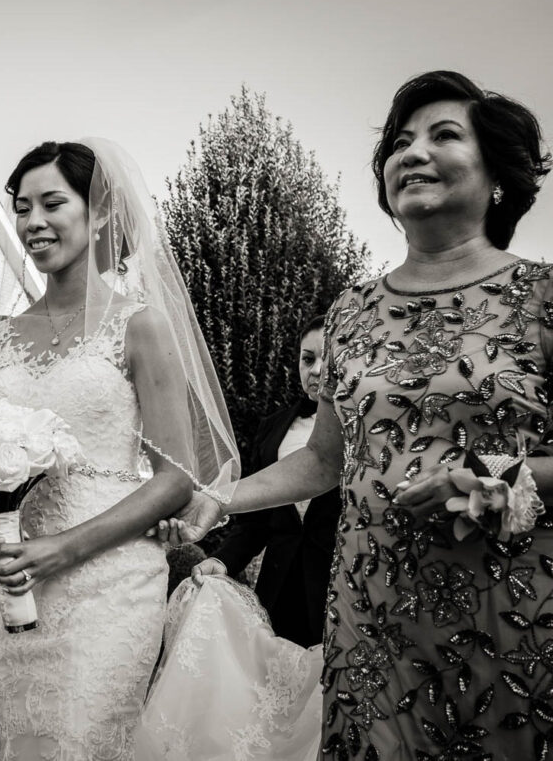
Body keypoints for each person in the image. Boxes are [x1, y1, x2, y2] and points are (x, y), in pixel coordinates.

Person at [147, 70, 553, 760]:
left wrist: (491, 478)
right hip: (370, 607)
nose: (411, 152)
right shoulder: (350, 312)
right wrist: (217, 495)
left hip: (509, 602)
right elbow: (324, 460)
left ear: (498, 176)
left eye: (443, 135)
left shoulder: (541, 296)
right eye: (399, 142)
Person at [0, 139, 240, 760]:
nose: (33, 222)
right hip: (14, 582)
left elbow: (175, 479)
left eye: (52, 203)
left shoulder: (140, 325)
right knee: (25, 738)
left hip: (109, 583)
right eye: (22, 207)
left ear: (100, 214)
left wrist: (60, 550)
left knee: (84, 740)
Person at [199, 314, 341, 648]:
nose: (317, 370)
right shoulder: (273, 429)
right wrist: (221, 560)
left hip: (340, 598)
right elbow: (255, 523)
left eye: (329, 359)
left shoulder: (364, 431)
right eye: (308, 359)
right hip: (278, 593)